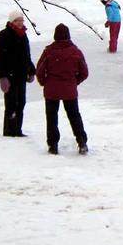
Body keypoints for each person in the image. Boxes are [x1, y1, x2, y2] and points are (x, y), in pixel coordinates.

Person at [36, 24, 89, 155]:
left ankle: (53, 145)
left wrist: (45, 82)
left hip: (52, 89)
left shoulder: (49, 51)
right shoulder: (75, 51)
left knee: (52, 117)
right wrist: (74, 82)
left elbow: (40, 70)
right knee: (74, 115)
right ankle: (81, 141)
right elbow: (84, 72)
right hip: (69, 89)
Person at [0, 11, 37, 137]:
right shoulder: (4, 35)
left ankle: (17, 129)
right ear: (11, 22)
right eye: (17, 20)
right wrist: (2, 77)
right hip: (9, 75)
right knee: (11, 104)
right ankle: (10, 131)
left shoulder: (23, 35)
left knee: (21, 102)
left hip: (21, 75)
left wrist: (31, 70)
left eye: (21, 20)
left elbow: (26, 56)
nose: (20, 23)